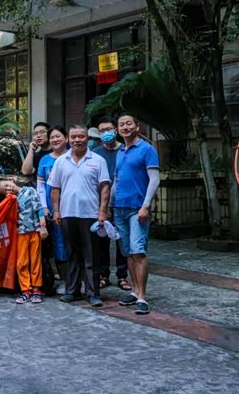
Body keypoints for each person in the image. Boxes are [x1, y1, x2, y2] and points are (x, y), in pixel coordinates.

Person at [49, 124, 111, 307]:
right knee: (72, 254)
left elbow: (105, 187)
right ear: (68, 139)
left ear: (88, 139)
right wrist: (56, 211)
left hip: (91, 214)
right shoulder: (61, 161)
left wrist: (103, 211)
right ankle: (72, 291)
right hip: (67, 214)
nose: (77, 140)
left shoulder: (98, 160)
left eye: (81, 136)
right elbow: (55, 188)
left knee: (92, 255)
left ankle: (93, 293)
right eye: (74, 137)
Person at [112, 113, 160, 315]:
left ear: (137, 126)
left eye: (128, 123)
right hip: (119, 208)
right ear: (118, 129)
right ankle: (134, 291)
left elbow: (154, 179)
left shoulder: (147, 149)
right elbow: (116, 180)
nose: (125, 127)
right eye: (121, 125)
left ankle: (142, 297)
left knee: (138, 251)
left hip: (137, 208)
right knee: (128, 252)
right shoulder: (120, 151)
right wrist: (107, 205)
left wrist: (145, 206)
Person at [0, 178, 48, 304]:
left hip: (35, 231)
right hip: (20, 233)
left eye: (7, 185)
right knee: (22, 262)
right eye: (5, 190)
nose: (8, 189)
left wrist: (43, 226)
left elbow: (39, 208)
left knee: (35, 260)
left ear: (10, 180)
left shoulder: (30, 191)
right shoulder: (10, 200)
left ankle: (37, 289)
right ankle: (25, 290)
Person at [93, 116, 131, 292]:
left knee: (122, 239)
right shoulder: (96, 153)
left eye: (108, 129)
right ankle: (104, 275)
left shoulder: (125, 150)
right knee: (102, 240)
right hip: (101, 203)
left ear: (115, 130)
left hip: (122, 203)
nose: (105, 133)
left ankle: (122, 276)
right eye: (101, 131)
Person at [36, 125, 69, 285]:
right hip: (52, 209)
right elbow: (40, 186)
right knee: (59, 244)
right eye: (52, 137)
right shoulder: (45, 160)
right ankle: (64, 281)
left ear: (66, 138)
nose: (55, 139)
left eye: (58, 136)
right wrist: (44, 206)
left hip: (72, 207)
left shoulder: (73, 156)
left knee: (76, 243)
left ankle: (80, 281)